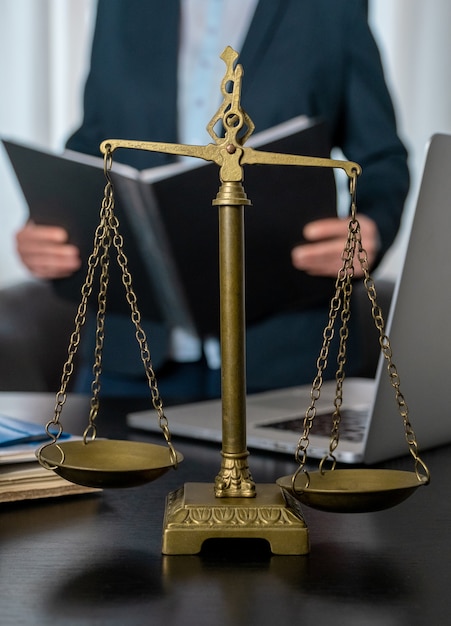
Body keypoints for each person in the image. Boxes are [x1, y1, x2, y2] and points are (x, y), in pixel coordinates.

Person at [15, 0, 409, 401]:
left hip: (286, 350)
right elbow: (92, 143)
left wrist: (373, 226)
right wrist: (49, 221)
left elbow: (381, 157)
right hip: (128, 351)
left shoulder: (330, 8)